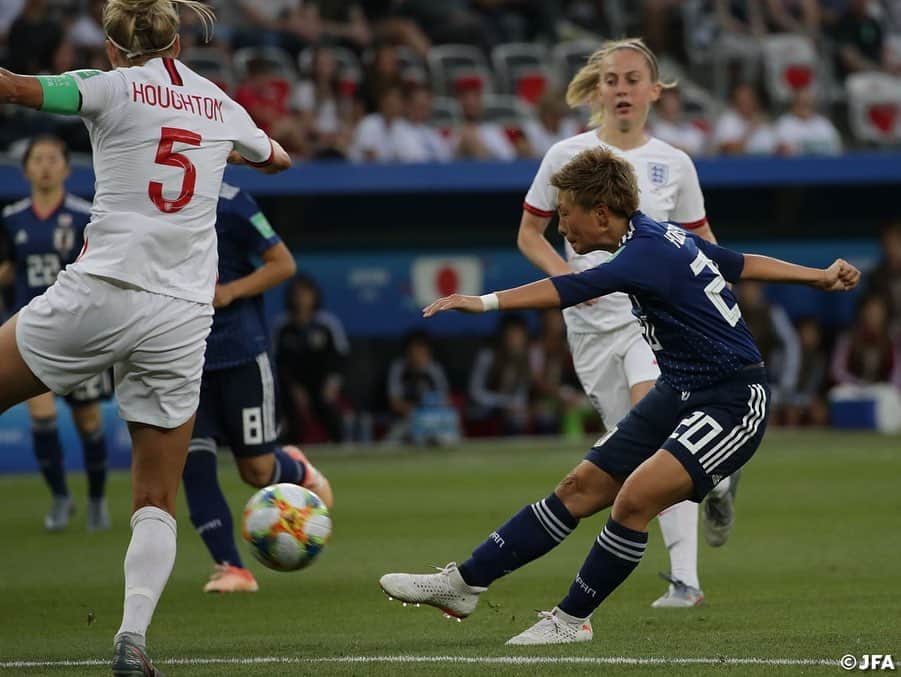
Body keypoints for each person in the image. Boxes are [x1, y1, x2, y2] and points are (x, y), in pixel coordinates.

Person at [380, 146, 860, 644]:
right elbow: (738, 263)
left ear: (601, 213)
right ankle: (463, 584)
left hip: (731, 401)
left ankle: (570, 622)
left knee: (634, 500)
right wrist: (818, 275)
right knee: (578, 488)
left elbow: (572, 288)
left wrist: (480, 302)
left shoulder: (644, 252)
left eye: (566, 215)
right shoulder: (659, 235)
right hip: (680, 390)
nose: (561, 229)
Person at [0, 1, 292, 674]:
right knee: (155, 498)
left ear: (110, 48)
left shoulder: (107, 87)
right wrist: (231, 149)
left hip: (103, 290)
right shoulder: (217, 101)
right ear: (178, 41)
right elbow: (278, 158)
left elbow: (20, 88)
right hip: (181, 315)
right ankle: (131, 638)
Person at [516, 37, 725, 608]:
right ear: (598, 90)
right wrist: (566, 281)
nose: (622, 89)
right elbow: (529, 233)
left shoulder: (675, 163)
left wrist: (716, 296)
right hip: (590, 327)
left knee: (655, 426)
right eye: (612, 80)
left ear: (655, 91)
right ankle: (716, 474)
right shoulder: (566, 156)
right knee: (642, 449)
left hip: (655, 324)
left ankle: (685, 580)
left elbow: (700, 241)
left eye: (634, 79)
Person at [183, 182, 333, 594]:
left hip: (238, 355)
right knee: (192, 461)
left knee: (257, 471)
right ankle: (231, 567)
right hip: (181, 355)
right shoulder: (152, 200)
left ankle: (298, 469)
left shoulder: (233, 204)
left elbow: (282, 263)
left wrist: (229, 291)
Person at [0, 134, 112, 532]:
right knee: (41, 416)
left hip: (79, 335)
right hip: (31, 331)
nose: (45, 165)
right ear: (26, 168)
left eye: (53, 159)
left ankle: (97, 499)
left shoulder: (86, 217)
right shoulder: (12, 219)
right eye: (38, 159)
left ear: (67, 168)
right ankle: (62, 498)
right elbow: (8, 269)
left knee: (88, 423)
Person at [275, 274, 350, 444]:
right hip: (293, 388)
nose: (301, 299)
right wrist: (293, 388)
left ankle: (341, 448)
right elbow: (278, 363)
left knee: (329, 408)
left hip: (324, 385)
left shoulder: (327, 324)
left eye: (305, 294)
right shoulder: (282, 327)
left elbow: (341, 358)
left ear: (314, 296)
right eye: (297, 294)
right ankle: (293, 456)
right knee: (291, 417)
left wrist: (332, 385)